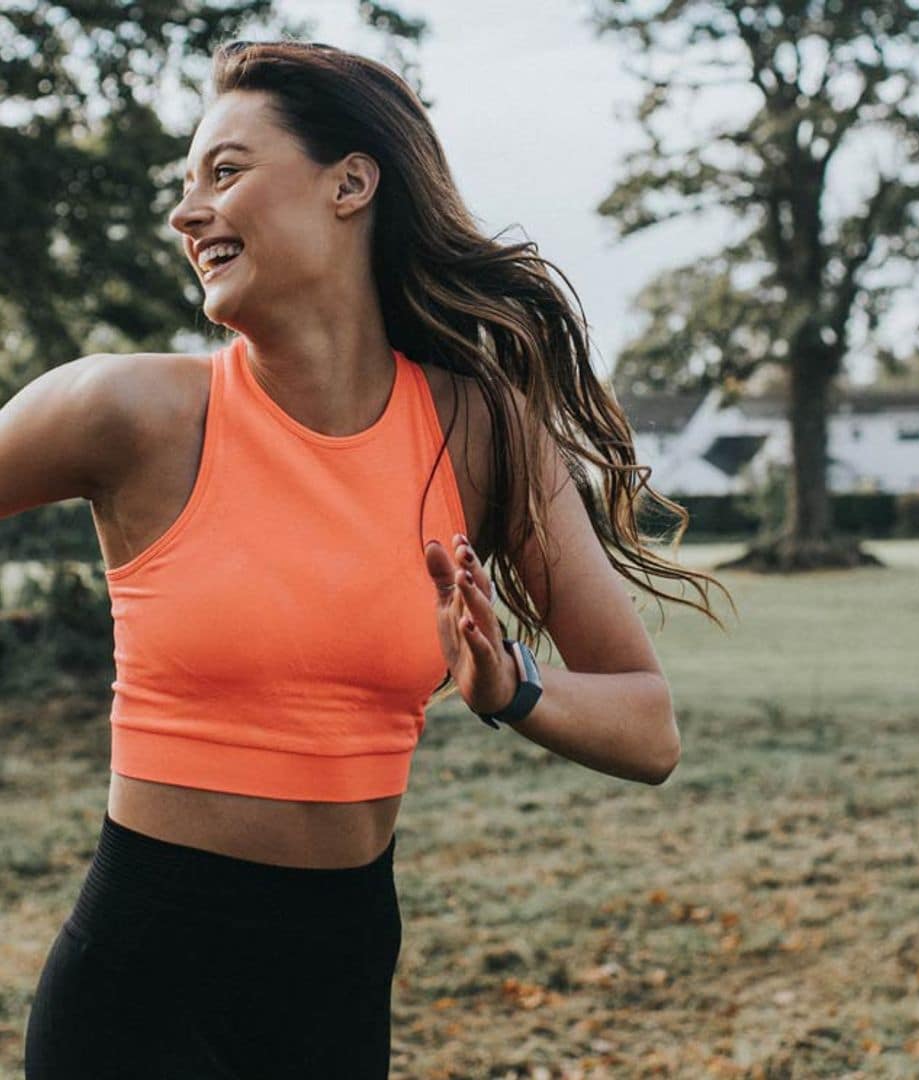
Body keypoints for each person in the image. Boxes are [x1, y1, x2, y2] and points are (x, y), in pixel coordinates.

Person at [9, 39, 733, 1079]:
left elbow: (648, 727)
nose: (185, 214)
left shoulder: (483, 430)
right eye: (186, 186)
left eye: (225, 171)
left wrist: (510, 682)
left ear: (351, 183)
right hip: (138, 991)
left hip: (339, 986)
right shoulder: (125, 411)